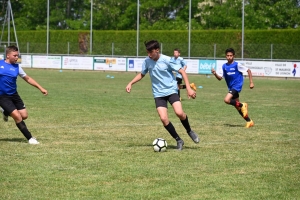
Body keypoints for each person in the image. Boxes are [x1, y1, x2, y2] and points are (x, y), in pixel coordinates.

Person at [125, 40, 200, 150]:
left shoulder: (167, 60)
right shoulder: (147, 61)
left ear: (157, 50)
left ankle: (189, 131)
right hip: (158, 94)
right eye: (147, 52)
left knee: (179, 113)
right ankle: (179, 140)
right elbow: (142, 74)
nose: (149, 55)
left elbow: (182, 72)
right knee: (164, 119)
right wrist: (131, 83)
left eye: (151, 52)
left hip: (171, 90)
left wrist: (188, 88)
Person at [0, 45, 48, 144]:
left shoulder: (17, 67)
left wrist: (40, 88)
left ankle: (5, 112)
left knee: (24, 115)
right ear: (8, 55)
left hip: (14, 94)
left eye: (18, 55)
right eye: (15, 55)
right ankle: (30, 138)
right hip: (2, 96)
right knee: (17, 116)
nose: (17, 57)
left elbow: (28, 78)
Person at [211, 48, 254, 128]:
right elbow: (220, 78)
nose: (229, 57)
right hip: (231, 87)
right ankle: (249, 121)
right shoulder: (224, 66)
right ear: (225, 56)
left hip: (237, 86)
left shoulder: (237, 65)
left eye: (231, 55)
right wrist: (215, 73)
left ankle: (243, 105)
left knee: (226, 100)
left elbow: (249, 70)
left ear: (233, 56)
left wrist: (251, 82)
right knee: (237, 107)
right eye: (228, 55)